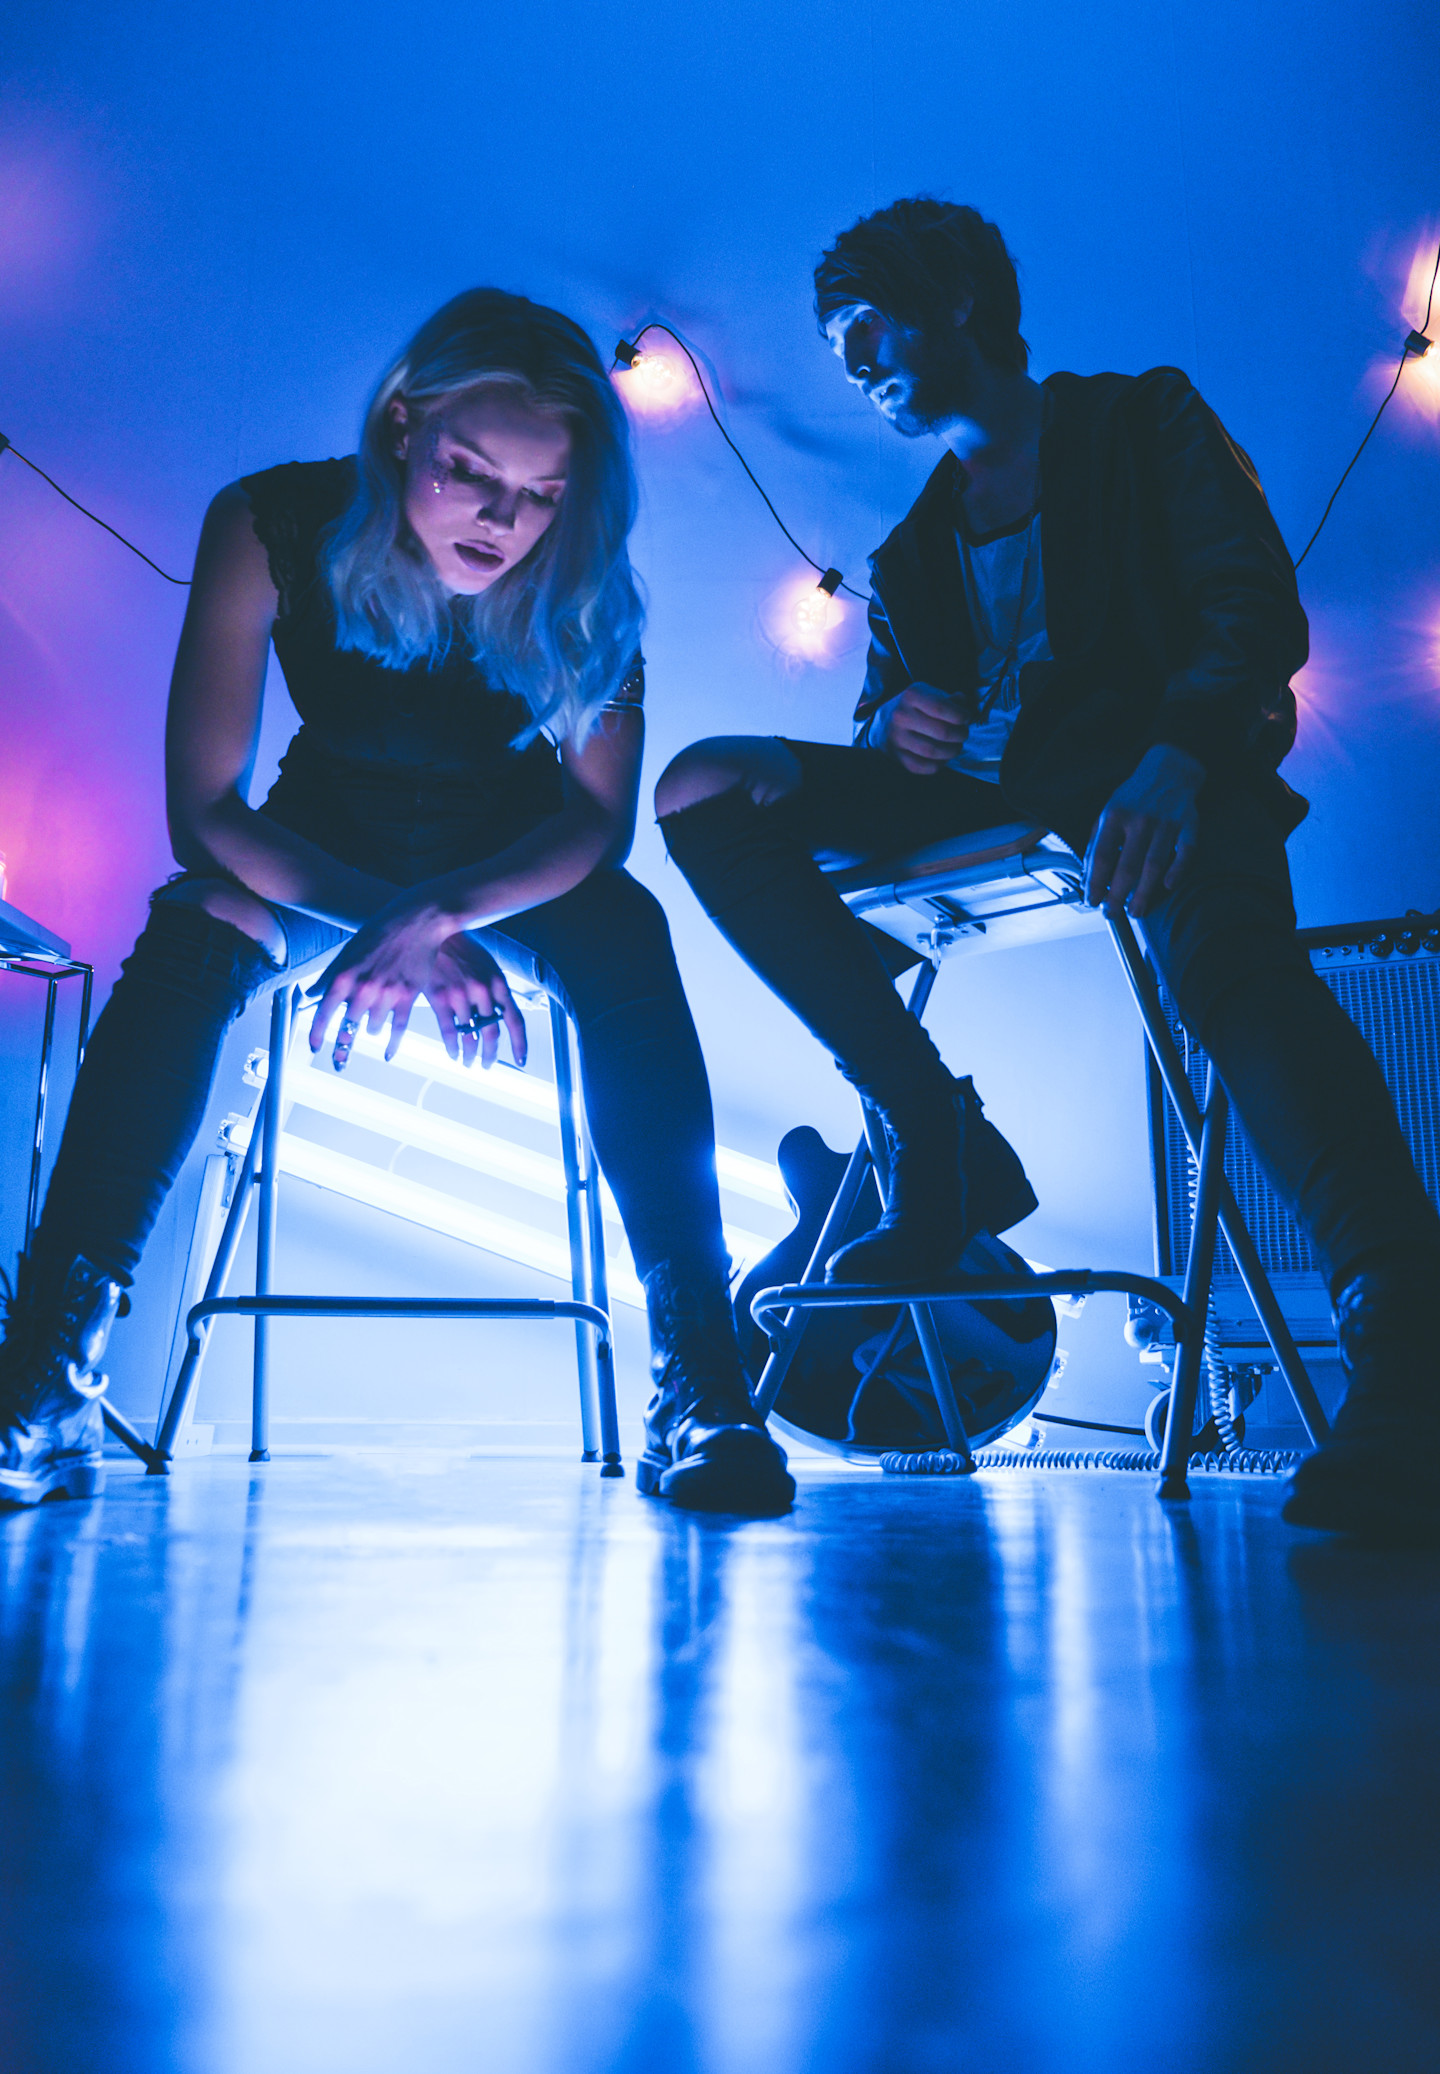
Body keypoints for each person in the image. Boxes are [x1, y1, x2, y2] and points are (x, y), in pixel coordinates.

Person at [655, 199, 1440, 1540]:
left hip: (1158, 770)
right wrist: (886, 726)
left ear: (958, 299)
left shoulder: (1141, 422)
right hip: (980, 799)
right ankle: (932, 1129)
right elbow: (887, 705)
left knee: (1237, 980)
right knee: (700, 784)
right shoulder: (913, 547)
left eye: (865, 326)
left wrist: (1181, 757)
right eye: (837, 344)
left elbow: (1252, 606)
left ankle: (1405, 1333)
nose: (853, 363)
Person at [0, 289, 793, 1517]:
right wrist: (392, 920)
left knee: (625, 923)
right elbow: (205, 813)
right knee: (197, 921)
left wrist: (438, 920)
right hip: (314, 849)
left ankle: (703, 1376)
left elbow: (595, 825)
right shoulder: (269, 522)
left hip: (510, 863)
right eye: (471, 472)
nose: (502, 520)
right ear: (402, 425)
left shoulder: (587, 573)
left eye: (541, 492)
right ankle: (47, 1371)